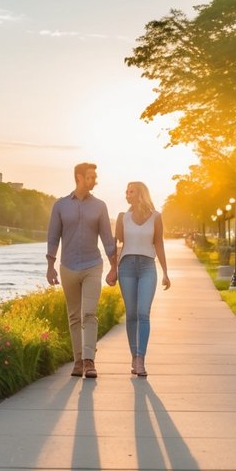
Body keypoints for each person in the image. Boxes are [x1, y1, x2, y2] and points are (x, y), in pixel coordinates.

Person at [46, 162, 117, 379]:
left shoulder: (100, 206)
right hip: (67, 266)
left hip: (92, 265)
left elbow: (107, 238)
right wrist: (50, 266)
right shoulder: (60, 205)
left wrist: (114, 267)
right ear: (79, 177)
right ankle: (77, 362)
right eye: (91, 177)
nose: (95, 180)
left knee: (89, 313)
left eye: (95, 177)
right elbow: (53, 237)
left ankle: (89, 361)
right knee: (74, 315)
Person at [112, 181, 170, 377]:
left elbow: (159, 244)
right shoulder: (122, 217)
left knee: (143, 313)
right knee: (132, 315)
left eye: (131, 191)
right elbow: (116, 244)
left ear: (141, 194)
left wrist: (165, 272)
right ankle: (134, 357)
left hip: (147, 267)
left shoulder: (156, 217)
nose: (127, 194)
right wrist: (112, 269)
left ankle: (141, 358)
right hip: (127, 266)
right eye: (126, 191)